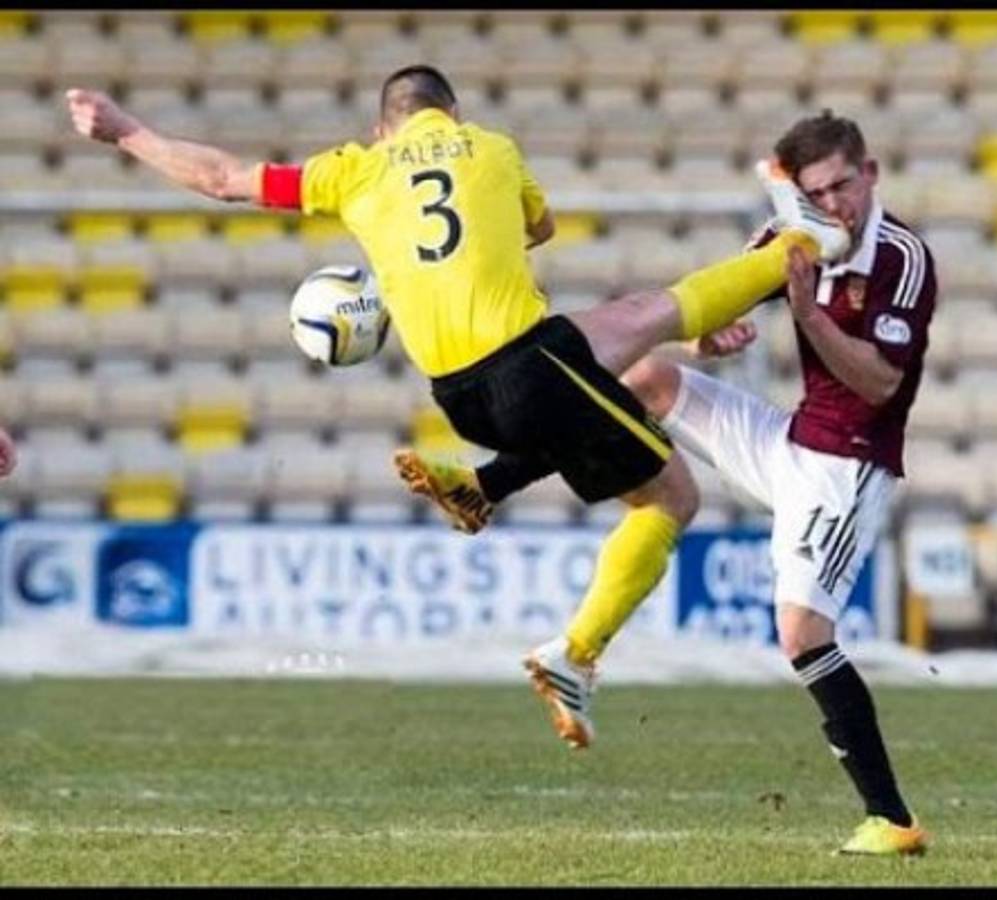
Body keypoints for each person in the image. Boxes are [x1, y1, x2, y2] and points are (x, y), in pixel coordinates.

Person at [64, 66, 848, 752]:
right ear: (454, 114)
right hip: (523, 365)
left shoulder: (354, 171)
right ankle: (573, 655)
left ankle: (483, 485)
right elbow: (537, 228)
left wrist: (127, 130)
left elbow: (223, 178)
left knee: (640, 331)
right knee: (671, 495)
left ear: (383, 126)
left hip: (461, 393)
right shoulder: (494, 149)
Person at [423, 111, 936, 856]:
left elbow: (881, 382)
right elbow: (714, 305)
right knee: (648, 376)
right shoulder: (790, 236)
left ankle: (890, 820)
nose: (834, 207)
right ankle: (487, 487)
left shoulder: (901, 258)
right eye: (817, 195)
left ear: (871, 174)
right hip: (789, 441)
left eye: (842, 187)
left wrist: (804, 313)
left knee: (801, 634)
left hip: (847, 464)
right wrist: (707, 337)